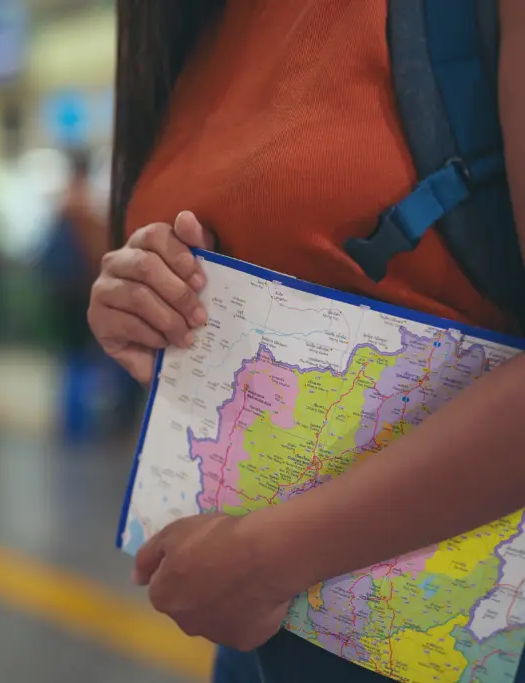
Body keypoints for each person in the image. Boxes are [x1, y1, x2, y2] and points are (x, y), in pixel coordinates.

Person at [88, 1, 525, 682]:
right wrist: (137, 300)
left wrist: (272, 558)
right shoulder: (193, 24)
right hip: (263, 629)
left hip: (443, 631)